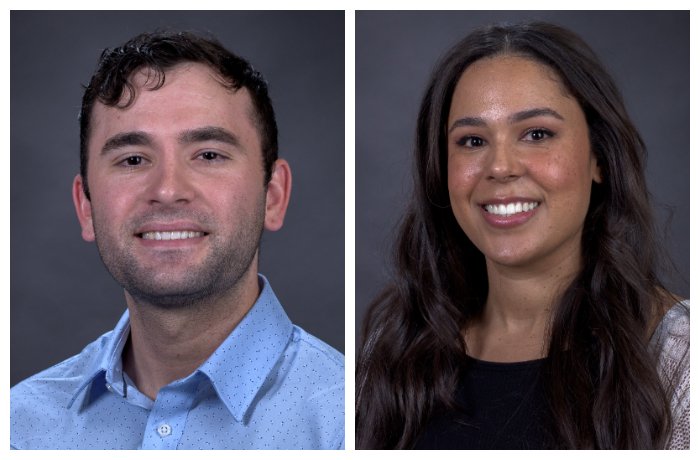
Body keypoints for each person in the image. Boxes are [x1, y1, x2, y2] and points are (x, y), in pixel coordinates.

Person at [356, 21, 689, 449]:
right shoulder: (395, 349)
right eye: (472, 141)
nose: (500, 166)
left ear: (599, 158)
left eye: (537, 134)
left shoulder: (680, 358)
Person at [10, 30, 344, 450]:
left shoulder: (356, 422)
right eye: (133, 159)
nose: (168, 189)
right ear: (86, 207)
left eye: (208, 155)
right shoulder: (20, 430)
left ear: (273, 196)